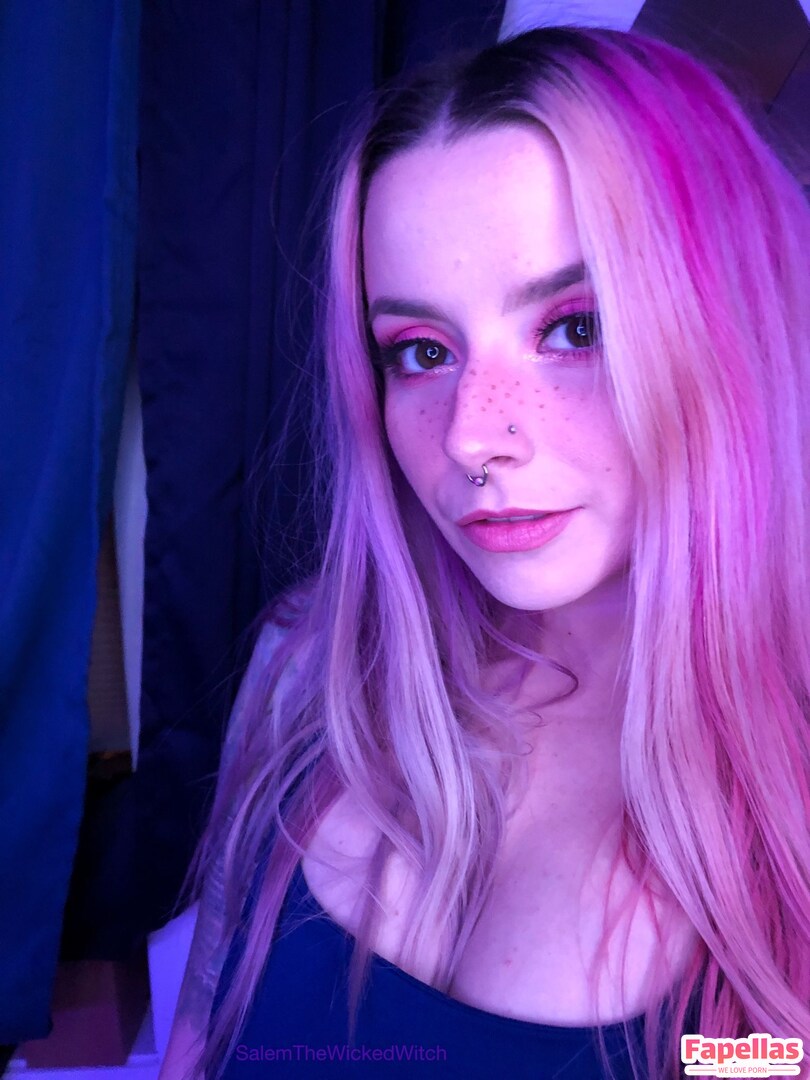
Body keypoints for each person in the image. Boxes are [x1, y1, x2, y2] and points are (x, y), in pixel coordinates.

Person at [158, 24, 810, 1080]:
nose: (471, 436)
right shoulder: (306, 674)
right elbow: (197, 1048)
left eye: (575, 328)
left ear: (734, 323)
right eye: (421, 351)